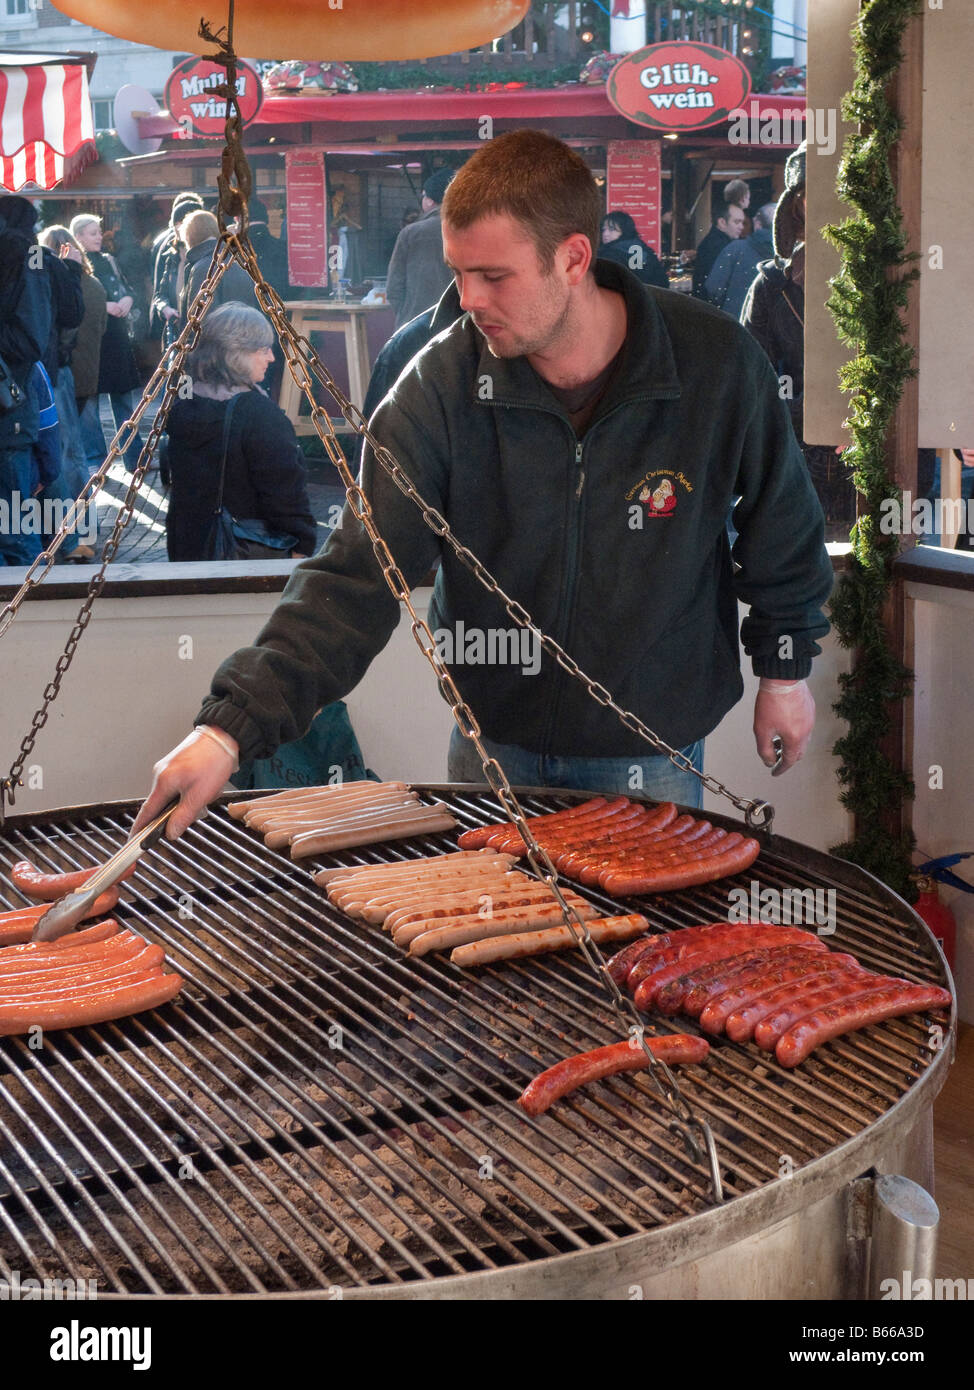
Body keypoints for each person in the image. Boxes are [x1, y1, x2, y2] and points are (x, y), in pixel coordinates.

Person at [137, 129, 832, 841]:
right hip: (490, 743)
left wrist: (783, 671)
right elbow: (356, 571)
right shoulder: (438, 382)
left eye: (494, 276)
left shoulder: (712, 363)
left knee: (644, 948)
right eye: (457, 272)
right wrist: (230, 728)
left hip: (651, 751)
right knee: (502, 941)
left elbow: (781, 521)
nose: (468, 299)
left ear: (573, 259)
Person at [741, 146, 857, 535]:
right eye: (812, 192)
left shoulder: (887, 274)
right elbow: (749, 376)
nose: (826, 203)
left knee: (886, 579)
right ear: (796, 205)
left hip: (881, 457)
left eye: (836, 190)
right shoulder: (772, 286)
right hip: (799, 455)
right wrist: (805, 415)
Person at [161, 302, 316, 562]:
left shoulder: (183, 406)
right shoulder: (259, 415)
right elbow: (285, 494)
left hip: (189, 549)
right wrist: (302, 543)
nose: (272, 358)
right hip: (249, 553)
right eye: (263, 349)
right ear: (237, 354)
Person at [69, 213, 146, 475]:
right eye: (93, 233)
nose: (100, 237)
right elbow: (69, 303)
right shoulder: (72, 265)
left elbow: (127, 290)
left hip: (116, 340)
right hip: (90, 344)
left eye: (99, 232)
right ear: (78, 236)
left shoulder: (109, 260)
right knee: (88, 407)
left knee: (124, 402)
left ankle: (134, 459)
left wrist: (127, 301)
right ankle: (97, 464)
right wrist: (104, 306)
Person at [0, 194, 51, 567]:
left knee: (13, 531)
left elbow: (32, 340)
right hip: (10, 420)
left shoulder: (25, 258)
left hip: (8, 417)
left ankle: (33, 617)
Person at [386, 166, 455, 328]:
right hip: (459, 324)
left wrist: (405, 315)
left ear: (430, 200)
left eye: (423, 195)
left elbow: (394, 288)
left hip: (414, 323)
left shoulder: (411, 233)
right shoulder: (472, 230)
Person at [179, 210, 254, 327]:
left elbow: (199, 320)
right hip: (243, 339)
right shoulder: (237, 262)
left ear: (189, 236)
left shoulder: (203, 268)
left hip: (217, 343)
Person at [703, 202, 776, 321]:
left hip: (737, 323)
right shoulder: (792, 254)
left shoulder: (736, 248)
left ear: (757, 223)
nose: (742, 227)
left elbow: (713, 288)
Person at [150, 192, 204, 348]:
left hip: (200, 337)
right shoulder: (171, 254)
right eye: (176, 225)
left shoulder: (211, 256)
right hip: (175, 334)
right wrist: (165, 308)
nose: (177, 230)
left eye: (181, 224)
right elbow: (160, 294)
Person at [598, 211, 668, 290]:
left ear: (624, 231)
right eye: (603, 229)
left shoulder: (609, 254)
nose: (605, 234)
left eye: (612, 229)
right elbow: (663, 281)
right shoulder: (643, 249)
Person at [692, 202, 746, 299]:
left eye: (742, 222)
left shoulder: (715, 241)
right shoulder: (721, 246)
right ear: (722, 222)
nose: (741, 227)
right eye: (737, 222)